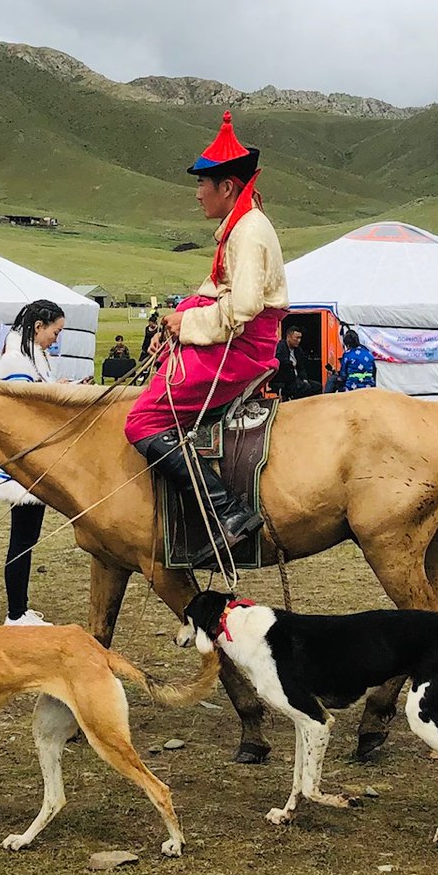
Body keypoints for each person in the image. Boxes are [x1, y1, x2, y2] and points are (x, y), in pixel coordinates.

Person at [124, 111, 288, 566]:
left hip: (243, 348)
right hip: (230, 339)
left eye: (203, 185)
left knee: (141, 422)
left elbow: (245, 306)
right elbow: (213, 290)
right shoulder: (238, 227)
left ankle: (228, 512)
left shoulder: (249, 232)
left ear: (228, 187)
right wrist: (176, 325)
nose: (197, 194)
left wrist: (191, 328)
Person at [0, 298, 66, 626]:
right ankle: (15, 613)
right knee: (22, 540)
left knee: (26, 539)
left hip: (30, 462)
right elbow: (21, 415)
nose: (56, 339)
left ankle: (20, 608)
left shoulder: (32, 356)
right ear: (38, 327)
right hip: (23, 465)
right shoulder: (17, 360)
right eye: (54, 332)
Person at [272, 323, 321, 400]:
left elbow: (301, 367)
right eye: (297, 338)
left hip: (298, 379)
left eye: (300, 338)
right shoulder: (280, 347)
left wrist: (305, 379)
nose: (299, 340)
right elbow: (280, 362)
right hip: (285, 380)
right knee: (305, 388)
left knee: (317, 386)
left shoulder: (298, 350)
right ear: (288, 337)